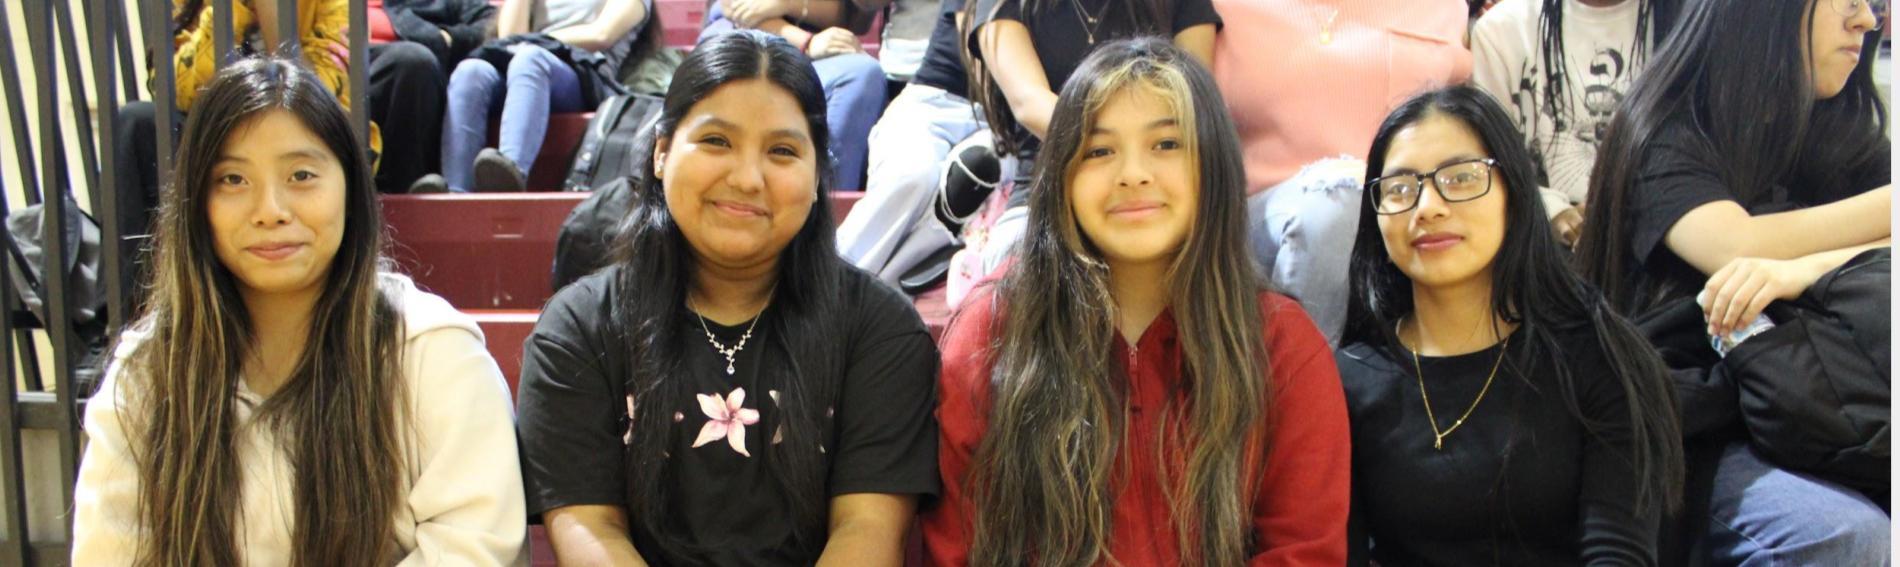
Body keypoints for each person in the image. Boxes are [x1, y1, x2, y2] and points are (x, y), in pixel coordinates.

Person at [73, 57, 526, 565]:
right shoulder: (148, 370)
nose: (270, 209)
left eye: (302, 175)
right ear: (197, 203)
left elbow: (473, 548)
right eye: (232, 180)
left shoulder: (432, 352)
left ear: (351, 189)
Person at [515, 31, 940, 566]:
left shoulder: (880, 331)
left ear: (815, 179)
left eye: (782, 151)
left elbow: (867, 530)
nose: (746, 178)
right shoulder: (579, 327)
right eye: (716, 141)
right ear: (662, 153)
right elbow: (590, 528)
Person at [923, 39, 1351, 566]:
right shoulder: (990, 332)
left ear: (1212, 166)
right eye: (1099, 150)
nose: (1133, 173)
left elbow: (1304, 550)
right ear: (1061, 175)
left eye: (1167, 144)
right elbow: (958, 547)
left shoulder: (1282, 345)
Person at [1575, 0, 1891, 563]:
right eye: (1846, 1)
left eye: (1872, 4)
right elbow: (1732, 246)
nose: (1866, 21)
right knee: (1845, 534)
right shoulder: (1666, 129)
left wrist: (1800, 270)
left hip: (1836, 406)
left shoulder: (1844, 133)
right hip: (1696, 428)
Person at [1336, 85, 1684, 565]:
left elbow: (1618, 554)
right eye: (1399, 189)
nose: (1427, 207)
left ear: (1515, 196)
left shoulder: (1600, 355)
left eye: (1459, 178)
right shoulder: (1346, 379)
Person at [1208, 0, 1471, 346]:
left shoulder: (1443, 8)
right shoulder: (1221, 9)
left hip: (1402, 211)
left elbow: (1465, 127)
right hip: (1259, 220)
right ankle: (1295, 388)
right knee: (1334, 205)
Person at [961, 0, 1223, 279]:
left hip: (1161, 188)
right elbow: (1029, 102)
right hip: (1045, 194)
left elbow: (1194, 100)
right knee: (1025, 276)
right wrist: (1112, 149)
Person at [1470, 0, 1681, 246]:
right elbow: (1490, 156)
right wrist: (1551, 209)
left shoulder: (1687, 19)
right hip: (1544, 244)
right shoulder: (1501, 30)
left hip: (1666, 229)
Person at [835, 0, 1014, 289]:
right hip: (934, 102)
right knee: (912, 176)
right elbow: (980, 59)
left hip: (1006, 126)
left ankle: (872, 298)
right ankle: (823, 287)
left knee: (975, 172)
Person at [434, 0, 652, 192]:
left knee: (531, 59)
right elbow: (509, 37)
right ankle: (456, 188)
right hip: (520, 68)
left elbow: (602, 34)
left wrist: (537, 41)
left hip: (584, 74)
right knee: (470, 71)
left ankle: (510, 169)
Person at [697, 0, 890, 191]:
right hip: (743, 37)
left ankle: (829, 205)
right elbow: (736, 7)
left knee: (863, 75)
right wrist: (806, 42)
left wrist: (791, 4)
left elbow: (858, 18)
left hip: (821, 51)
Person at [368, 0, 500, 193]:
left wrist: (446, 38)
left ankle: (402, 195)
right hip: (334, 65)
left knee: (413, 61)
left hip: (407, 73)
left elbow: (489, 23)